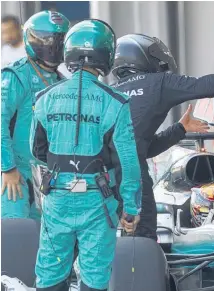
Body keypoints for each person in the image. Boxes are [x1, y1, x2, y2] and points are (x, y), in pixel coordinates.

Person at [30, 19, 142, 291]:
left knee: (50, 272)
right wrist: (130, 208)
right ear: (107, 55)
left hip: (57, 197)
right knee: (94, 276)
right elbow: (128, 162)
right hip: (98, 202)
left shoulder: (44, 96)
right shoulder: (116, 102)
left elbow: (36, 150)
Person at [110, 33, 214, 241]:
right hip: (131, 176)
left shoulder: (110, 92)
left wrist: (180, 129)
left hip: (99, 177)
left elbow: (141, 148)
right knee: (142, 241)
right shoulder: (158, 82)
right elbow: (202, 86)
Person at [1, 10, 70, 220]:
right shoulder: (15, 76)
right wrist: (8, 168)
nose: (54, 45)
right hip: (15, 174)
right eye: (49, 40)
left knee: (45, 242)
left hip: (49, 177)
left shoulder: (62, 81)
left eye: (59, 40)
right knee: (15, 235)